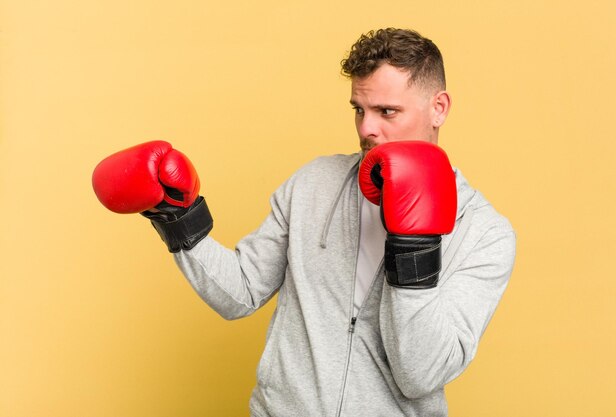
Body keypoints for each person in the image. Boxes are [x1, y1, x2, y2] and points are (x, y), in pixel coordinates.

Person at [92, 28, 516, 417]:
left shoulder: (485, 234)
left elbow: (419, 375)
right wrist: (179, 217)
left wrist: (413, 247)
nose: (367, 129)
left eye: (387, 111)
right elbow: (239, 293)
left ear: (438, 108)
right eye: (359, 109)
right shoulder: (314, 182)